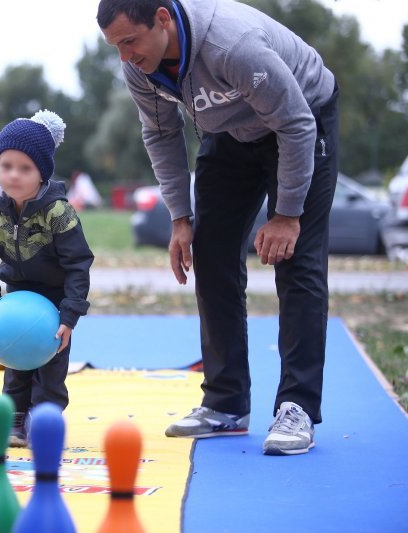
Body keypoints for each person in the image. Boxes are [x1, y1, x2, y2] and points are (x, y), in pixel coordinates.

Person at [98, 0, 338, 455]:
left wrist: (286, 215)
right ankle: (226, 404)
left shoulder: (233, 44)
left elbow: (296, 124)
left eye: (130, 41)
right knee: (211, 253)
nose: (125, 57)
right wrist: (179, 219)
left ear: (163, 19)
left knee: (298, 260)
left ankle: (297, 406)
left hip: (302, 119)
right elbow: (162, 134)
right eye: (115, 47)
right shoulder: (139, 67)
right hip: (230, 133)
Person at [0, 110, 94, 447]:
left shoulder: (58, 211)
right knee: (16, 357)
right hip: (17, 293)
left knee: (50, 363)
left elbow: (79, 262)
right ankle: (14, 419)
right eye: (6, 166)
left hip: (55, 295)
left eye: (25, 168)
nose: (14, 176)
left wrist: (70, 315)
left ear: (42, 172)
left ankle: (45, 419)